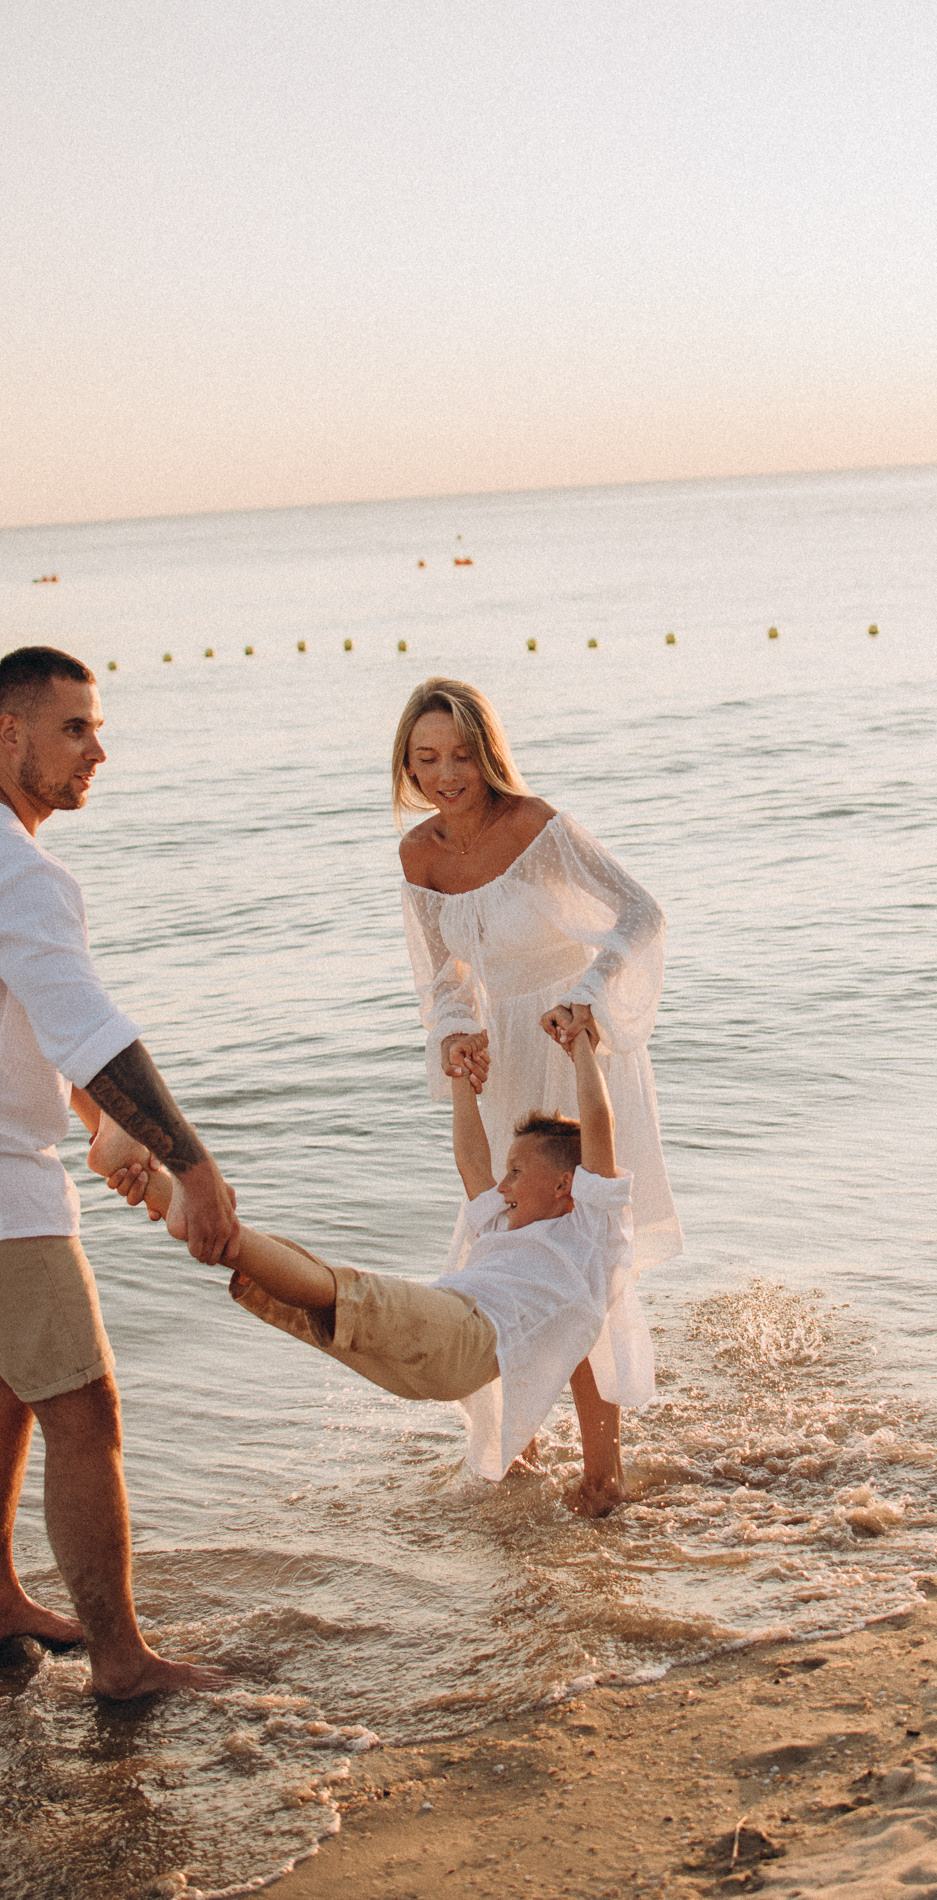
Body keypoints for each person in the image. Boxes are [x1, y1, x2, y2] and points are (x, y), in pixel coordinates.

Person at [105, 1022, 652, 1515]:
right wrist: (461, 1077)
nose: (502, 1185)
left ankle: (200, 1216)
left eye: (516, 1172)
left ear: (565, 1187)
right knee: (315, 1299)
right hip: (434, 1353)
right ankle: (169, 1195)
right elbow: (470, 1159)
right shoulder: (502, 1226)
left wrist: (581, 1045)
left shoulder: (589, 1233)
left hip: (470, 1335)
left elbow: (598, 1122)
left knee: (343, 1289)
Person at [0, 645, 238, 1698]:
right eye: (75, 728)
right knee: (83, 1410)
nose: (99, 748)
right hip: (4, 1191)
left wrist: (103, 1128)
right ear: (8, 735)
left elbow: (33, 1027)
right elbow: (89, 1030)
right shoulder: (23, 871)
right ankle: (122, 1660)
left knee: (9, 1389)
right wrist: (196, 1166)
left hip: (21, 1160)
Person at [392, 677, 682, 1285]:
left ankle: (602, 1380)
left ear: (487, 754)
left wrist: (587, 997)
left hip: (573, 1043)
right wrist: (456, 1033)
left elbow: (640, 911)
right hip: (505, 1058)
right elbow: (445, 977)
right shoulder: (419, 853)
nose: (446, 774)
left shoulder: (535, 825)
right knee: (510, 1228)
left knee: (589, 1232)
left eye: (462, 755)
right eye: (427, 759)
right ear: (408, 769)